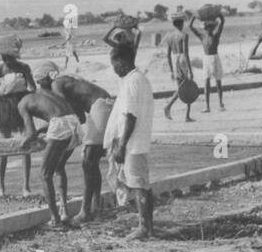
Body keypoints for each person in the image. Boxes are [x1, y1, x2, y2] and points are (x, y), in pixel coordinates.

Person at [0, 72, 79, 227]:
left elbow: (30, 133)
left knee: (45, 174)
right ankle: (64, 211)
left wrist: (23, 143)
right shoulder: (41, 93)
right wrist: (41, 132)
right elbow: (59, 115)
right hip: (74, 123)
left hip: (60, 126)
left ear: (10, 97)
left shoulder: (22, 104)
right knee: (59, 168)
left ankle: (55, 220)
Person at [48, 68, 115, 223]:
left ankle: (85, 211)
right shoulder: (71, 85)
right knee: (92, 162)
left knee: (88, 161)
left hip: (100, 107)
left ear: (46, 78)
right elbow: (80, 118)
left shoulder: (56, 83)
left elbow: (62, 110)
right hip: (104, 105)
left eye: (40, 83)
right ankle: (96, 208)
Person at [105, 43, 155, 240]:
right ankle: (147, 227)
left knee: (139, 185)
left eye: (114, 64)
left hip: (134, 144)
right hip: (136, 141)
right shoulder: (136, 79)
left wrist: (122, 144)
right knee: (139, 184)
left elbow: (130, 117)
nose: (114, 68)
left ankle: (144, 228)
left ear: (122, 61)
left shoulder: (133, 81)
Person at [0, 34, 36, 197]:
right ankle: (1, 187)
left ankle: (26, 187)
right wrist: (2, 90)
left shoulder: (24, 68)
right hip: (5, 109)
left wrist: (23, 91)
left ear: (15, 56)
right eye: (4, 58)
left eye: (9, 58)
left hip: (21, 108)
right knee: (4, 147)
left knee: (25, 146)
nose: (6, 61)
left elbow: (33, 88)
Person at [162, 13, 196, 122]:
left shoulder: (169, 36)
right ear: (182, 23)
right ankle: (184, 114)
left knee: (180, 87)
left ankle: (172, 108)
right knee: (187, 87)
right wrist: (190, 70)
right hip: (182, 60)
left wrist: (171, 70)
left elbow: (168, 55)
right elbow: (186, 53)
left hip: (174, 59)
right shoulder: (184, 35)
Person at [189, 12, 226, 112]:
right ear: (205, 28)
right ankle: (207, 106)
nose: (209, 29)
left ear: (213, 28)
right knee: (206, 82)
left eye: (211, 27)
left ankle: (220, 104)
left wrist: (219, 15)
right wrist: (194, 17)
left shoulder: (216, 36)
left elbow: (222, 22)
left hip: (215, 58)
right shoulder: (202, 36)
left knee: (218, 82)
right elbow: (190, 27)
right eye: (207, 27)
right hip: (206, 59)